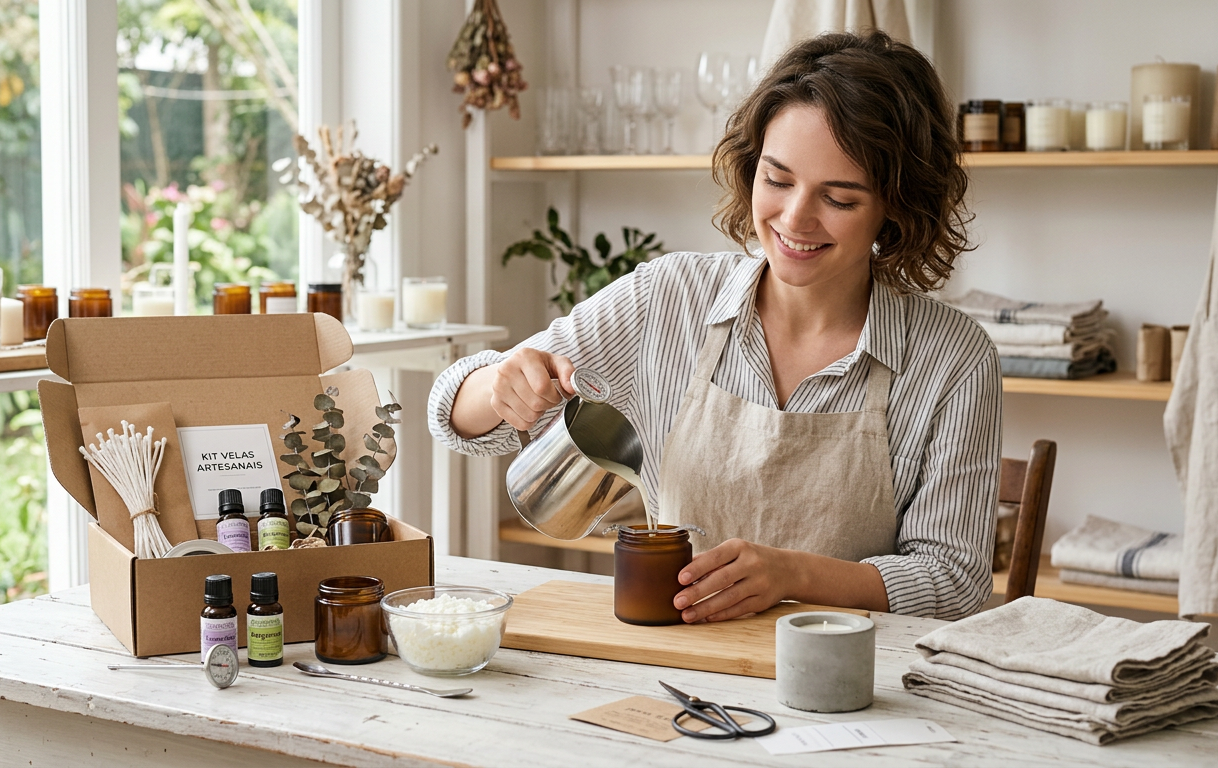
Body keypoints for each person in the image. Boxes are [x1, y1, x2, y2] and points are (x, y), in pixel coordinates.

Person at [428, 31, 1000, 622]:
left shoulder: (953, 357)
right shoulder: (669, 297)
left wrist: (794, 575)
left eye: (840, 198)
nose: (794, 218)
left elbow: (954, 582)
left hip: (848, 686)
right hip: (676, 660)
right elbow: (450, 411)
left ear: (897, 207)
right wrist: (501, 385)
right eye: (777, 180)